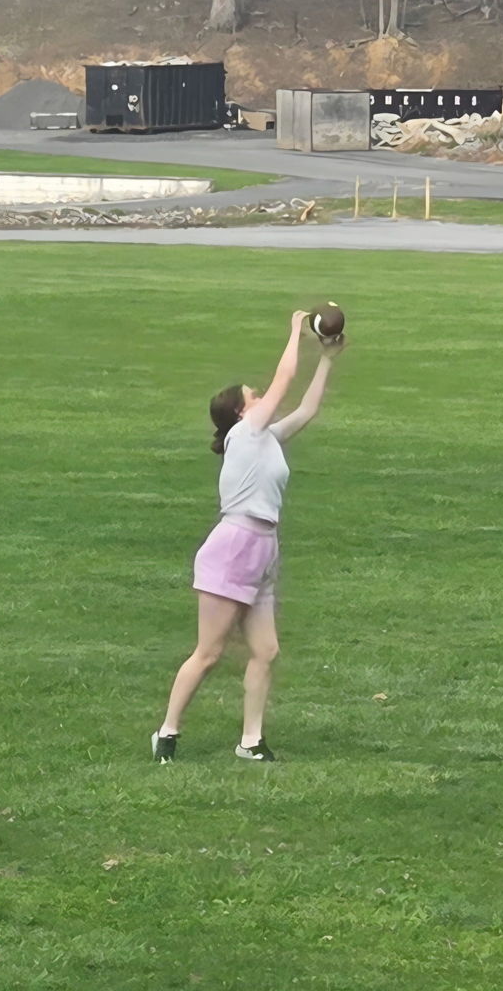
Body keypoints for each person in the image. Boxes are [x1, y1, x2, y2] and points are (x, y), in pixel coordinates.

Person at [152, 311, 344, 763]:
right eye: (251, 396)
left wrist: (328, 359)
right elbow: (284, 378)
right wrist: (296, 329)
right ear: (241, 412)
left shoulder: (267, 437)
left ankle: (251, 741)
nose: (259, 396)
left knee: (266, 650)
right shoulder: (245, 432)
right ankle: (167, 732)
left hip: (262, 549)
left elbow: (308, 409)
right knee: (210, 652)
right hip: (233, 547)